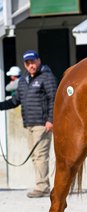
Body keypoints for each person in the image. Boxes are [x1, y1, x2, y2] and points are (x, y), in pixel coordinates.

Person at [0, 50, 57, 198]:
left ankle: (43, 187)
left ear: (38, 61)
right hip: (29, 123)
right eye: (28, 63)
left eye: (33, 62)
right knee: (34, 156)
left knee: (40, 155)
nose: (31, 65)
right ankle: (41, 184)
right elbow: (15, 101)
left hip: (42, 124)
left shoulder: (47, 77)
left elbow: (54, 99)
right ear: (25, 65)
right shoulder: (24, 80)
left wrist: (51, 120)